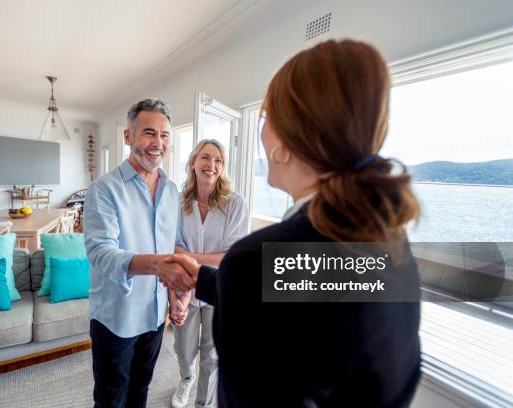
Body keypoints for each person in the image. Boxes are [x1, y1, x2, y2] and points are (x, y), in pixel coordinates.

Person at [162, 39, 422, 407]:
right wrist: (199, 277)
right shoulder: (389, 241)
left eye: (266, 117)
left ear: (283, 143)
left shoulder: (253, 259)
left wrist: (225, 275)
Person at [84, 98, 193, 408]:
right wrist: (161, 267)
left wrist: (175, 297)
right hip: (116, 317)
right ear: (128, 137)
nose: (157, 143)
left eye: (165, 135)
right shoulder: (104, 189)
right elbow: (101, 253)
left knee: (140, 392)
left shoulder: (172, 191)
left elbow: (174, 248)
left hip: (155, 316)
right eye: (149, 133)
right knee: (110, 399)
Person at [170, 139, 249, 408]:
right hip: (186, 286)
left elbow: (230, 255)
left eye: (218, 160)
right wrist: (179, 295)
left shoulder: (235, 204)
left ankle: (203, 404)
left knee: (212, 355)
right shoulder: (179, 203)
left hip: (218, 288)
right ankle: (186, 378)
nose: (211, 165)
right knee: (184, 349)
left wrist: (190, 257)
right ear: (192, 163)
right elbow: (174, 249)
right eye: (205, 157)